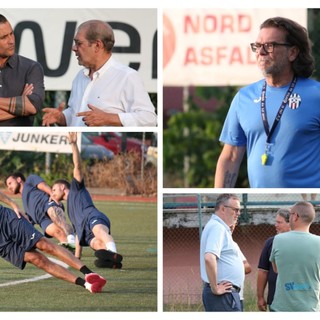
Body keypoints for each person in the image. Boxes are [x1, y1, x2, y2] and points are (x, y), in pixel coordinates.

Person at [214, 17, 320, 188]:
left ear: (292, 53)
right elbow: (231, 156)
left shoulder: (316, 95)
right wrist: (217, 198)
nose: (261, 52)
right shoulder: (243, 97)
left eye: (270, 46)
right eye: (257, 46)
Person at [42, 19, 157, 127]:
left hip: (106, 146)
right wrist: (61, 117)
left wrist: (108, 118)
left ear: (97, 45)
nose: (73, 48)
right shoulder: (80, 76)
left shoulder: (127, 77)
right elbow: (76, 114)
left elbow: (150, 119)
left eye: (78, 43)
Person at [0, 190, 106, 293]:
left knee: (44, 245)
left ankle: (89, 273)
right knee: (35, 259)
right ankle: (87, 285)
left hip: (5, 220)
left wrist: (13, 204)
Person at [50, 132, 123, 268]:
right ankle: (112, 263)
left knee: (100, 232)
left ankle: (113, 255)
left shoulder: (76, 188)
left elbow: (77, 166)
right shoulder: (71, 211)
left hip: (92, 217)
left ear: (62, 187)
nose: (52, 194)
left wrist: (73, 144)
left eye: (54, 190)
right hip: (85, 231)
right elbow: (78, 234)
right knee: (96, 244)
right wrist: (77, 258)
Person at [5, 172, 76, 251]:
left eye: (10, 183)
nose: (9, 187)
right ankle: (72, 253)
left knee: (60, 222)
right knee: (58, 233)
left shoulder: (30, 180)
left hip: (47, 204)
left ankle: (72, 239)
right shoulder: (24, 201)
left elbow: (43, 186)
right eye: (8, 185)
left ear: (18, 179)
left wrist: (52, 195)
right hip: (42, 220)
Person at [270, 201, 320, 311]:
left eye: (291, 214)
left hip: (282, 308)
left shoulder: (278, 239)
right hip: (311, 309)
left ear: (295, 217)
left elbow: (276, 269)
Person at [200, 193, 244, 312]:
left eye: (239, 210)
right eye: (235, 210)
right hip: (223, 295)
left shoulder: (220, 228)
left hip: (227, 294)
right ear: (223, 209)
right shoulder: (217, 228)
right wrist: (215, 288)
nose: (238, 213)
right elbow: (209, 258)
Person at [0, 14, 44, 126]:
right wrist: (20, 106)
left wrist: (26, 107)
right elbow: (26, 108)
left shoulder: (31, 68)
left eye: (11, 34)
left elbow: (32, 107)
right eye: (3, 37)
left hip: (19, 141)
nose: (11, 41)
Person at [256, 208, 291, 311]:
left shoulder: (303, 242)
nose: (276, 225)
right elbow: (263, 271)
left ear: (290, 223)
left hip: (297, 300)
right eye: (276, 222)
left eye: (279, 222)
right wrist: (260, 297)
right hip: (275, 299)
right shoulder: (271, 242)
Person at [230, 223, 252, 311]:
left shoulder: (233, 244)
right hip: (225, 296)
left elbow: (248, 267)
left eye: (233, 225)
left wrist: (234, 267)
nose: (231, 227)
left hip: (237, 296)